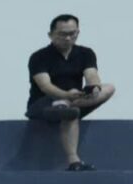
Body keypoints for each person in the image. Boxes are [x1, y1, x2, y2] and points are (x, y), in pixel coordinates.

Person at [26, 14, 116, 171]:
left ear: (77, 33)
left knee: (108, 88)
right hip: (45, 104)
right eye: (62, 34)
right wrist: (66, 96)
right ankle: (74, 161)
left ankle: (67, 105)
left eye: (72, 33)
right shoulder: (39, 57)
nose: (67, 38)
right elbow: (45, 86)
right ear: (51, 35)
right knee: (70, 112)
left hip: (75, 100)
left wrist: (94, 87)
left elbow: (92, 75)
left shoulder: (86, 53)